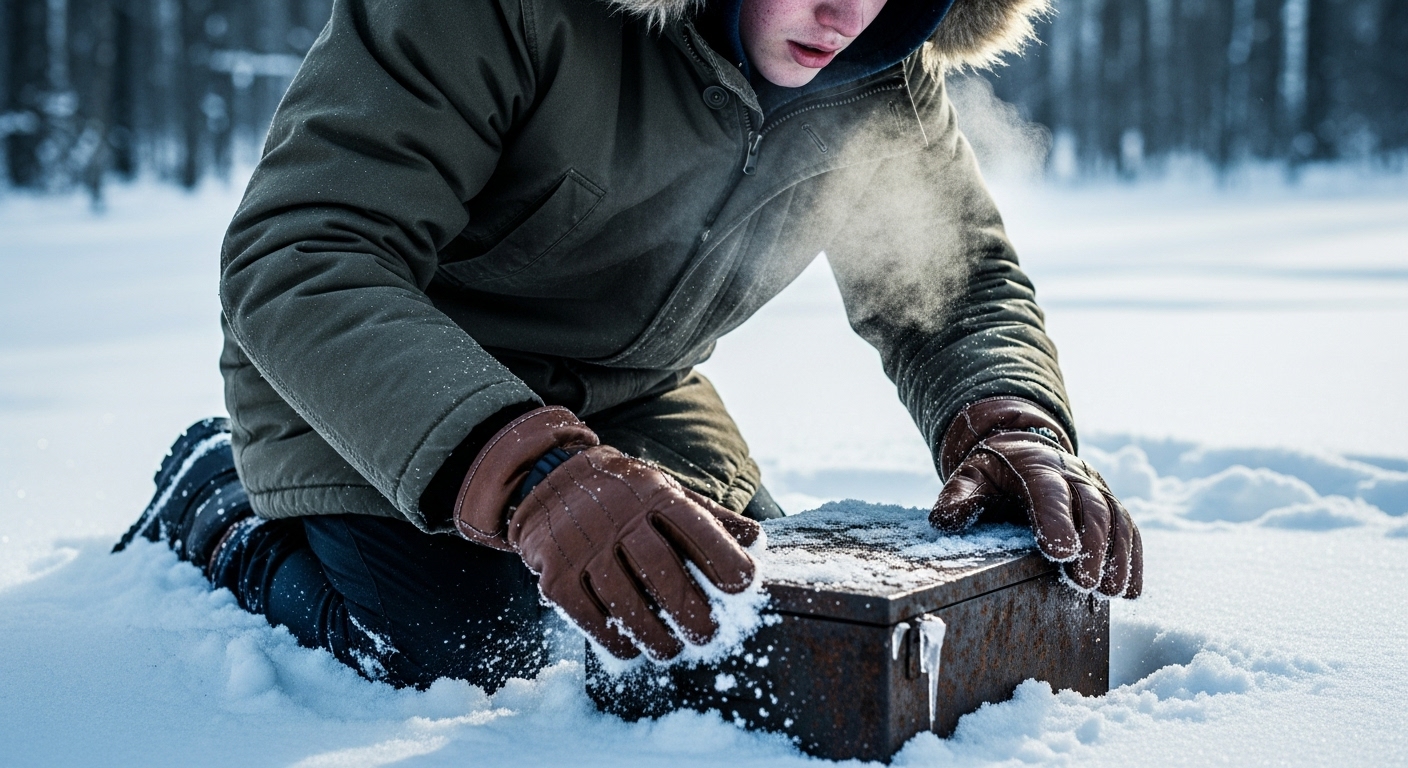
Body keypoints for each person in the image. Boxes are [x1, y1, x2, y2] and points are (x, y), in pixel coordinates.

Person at [116, 0, 1143, 691]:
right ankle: (214, 494)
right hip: (363, 375)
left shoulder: (879, 78)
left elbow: (950, 287)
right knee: (464, 649)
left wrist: (1006, 422)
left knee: (734, 624)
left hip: (627, 390)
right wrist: (538, 475)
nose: (847, 12)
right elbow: (302, 255)